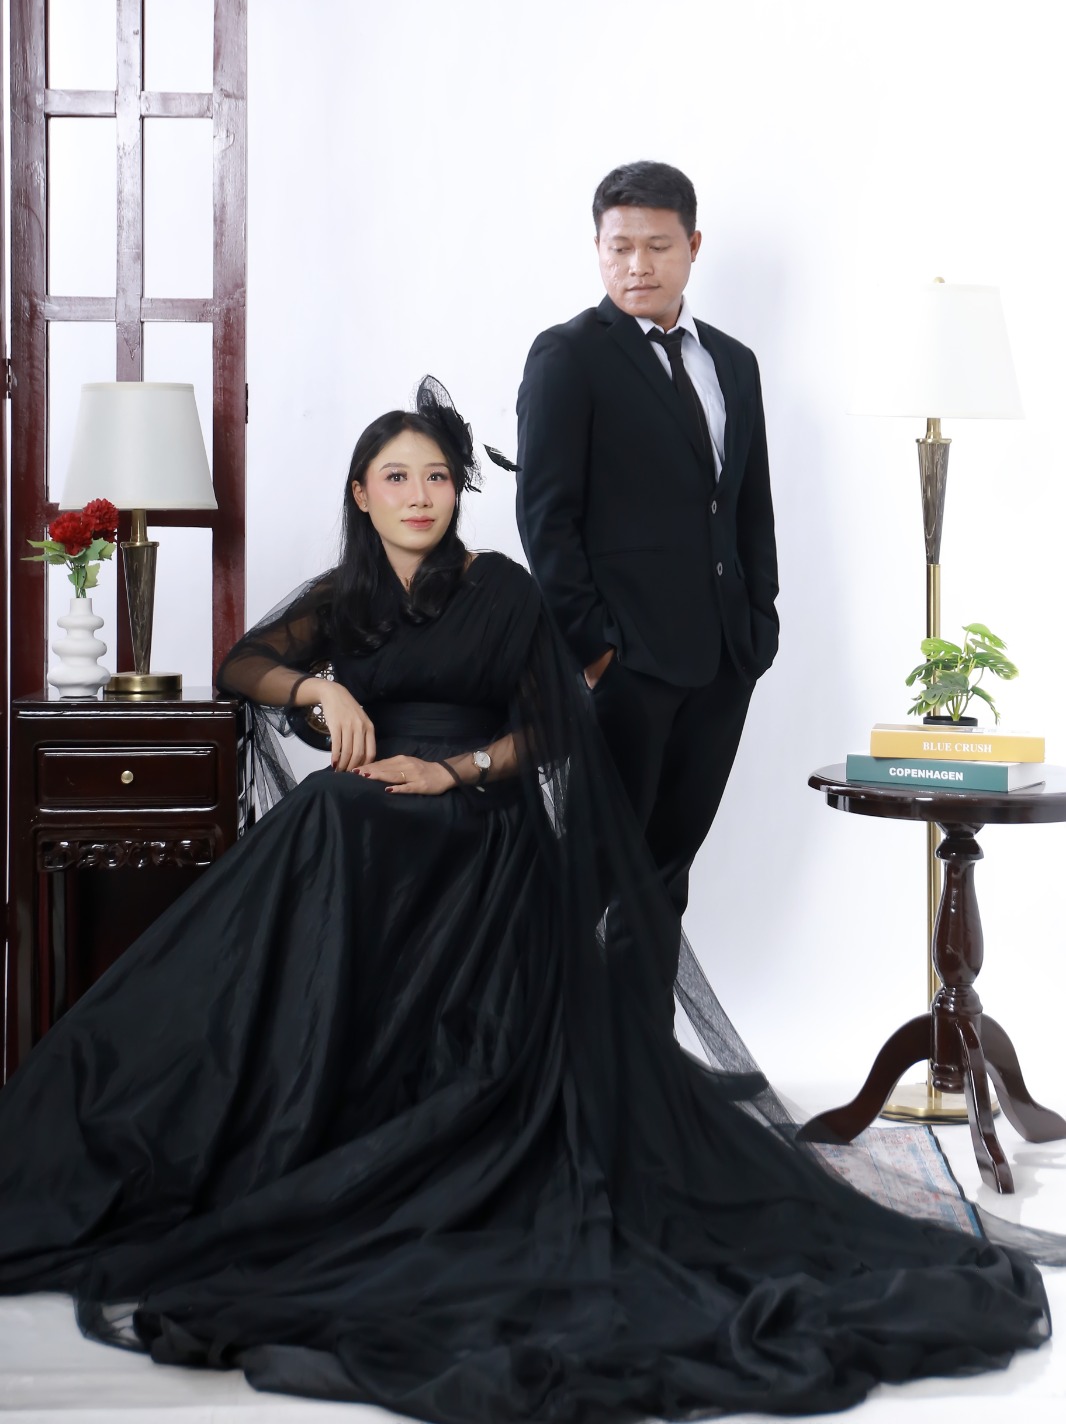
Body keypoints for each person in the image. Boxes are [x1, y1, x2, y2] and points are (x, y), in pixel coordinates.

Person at [0, 380, 1052, 1421]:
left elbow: (557, 727)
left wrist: (452, 769)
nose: (419, 495)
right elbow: (245, 664)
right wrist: (321, 686)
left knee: (336, 816)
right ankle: (249, 1092)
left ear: (457, 491)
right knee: (326, 813)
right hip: (370, 825)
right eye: (396, 478)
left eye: (436, 477)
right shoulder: (343, 599)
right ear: (361, 493)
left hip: (474, 826)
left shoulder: (498, 587)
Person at [517, 160, 778, 1002]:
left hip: (723, 660)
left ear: (693, 246)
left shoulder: (733, 362)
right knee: (590, 873)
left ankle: (642, 1059)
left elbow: (748, 504)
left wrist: (760, 622)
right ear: (597, 247)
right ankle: (535, 1053)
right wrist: (596, 653)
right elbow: (546, 519)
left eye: (658, 246)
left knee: (665, 873)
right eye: (619, 247)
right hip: (625, 666)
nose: (637, 265)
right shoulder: (569, 357)